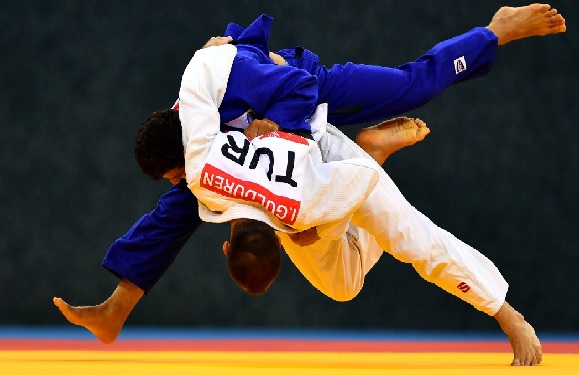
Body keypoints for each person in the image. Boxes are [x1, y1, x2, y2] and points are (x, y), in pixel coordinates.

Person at [53, 4, 564, 366]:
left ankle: (493, 32)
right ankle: (118, 309)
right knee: (341, 285)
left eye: (174, 172)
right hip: (310, 173)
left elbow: (259, 75)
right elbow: (164, 224)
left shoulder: (208, 138)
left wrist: (255, 81)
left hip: (307, 90)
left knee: (412, 102)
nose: (178, 181)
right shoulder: (204, 159)